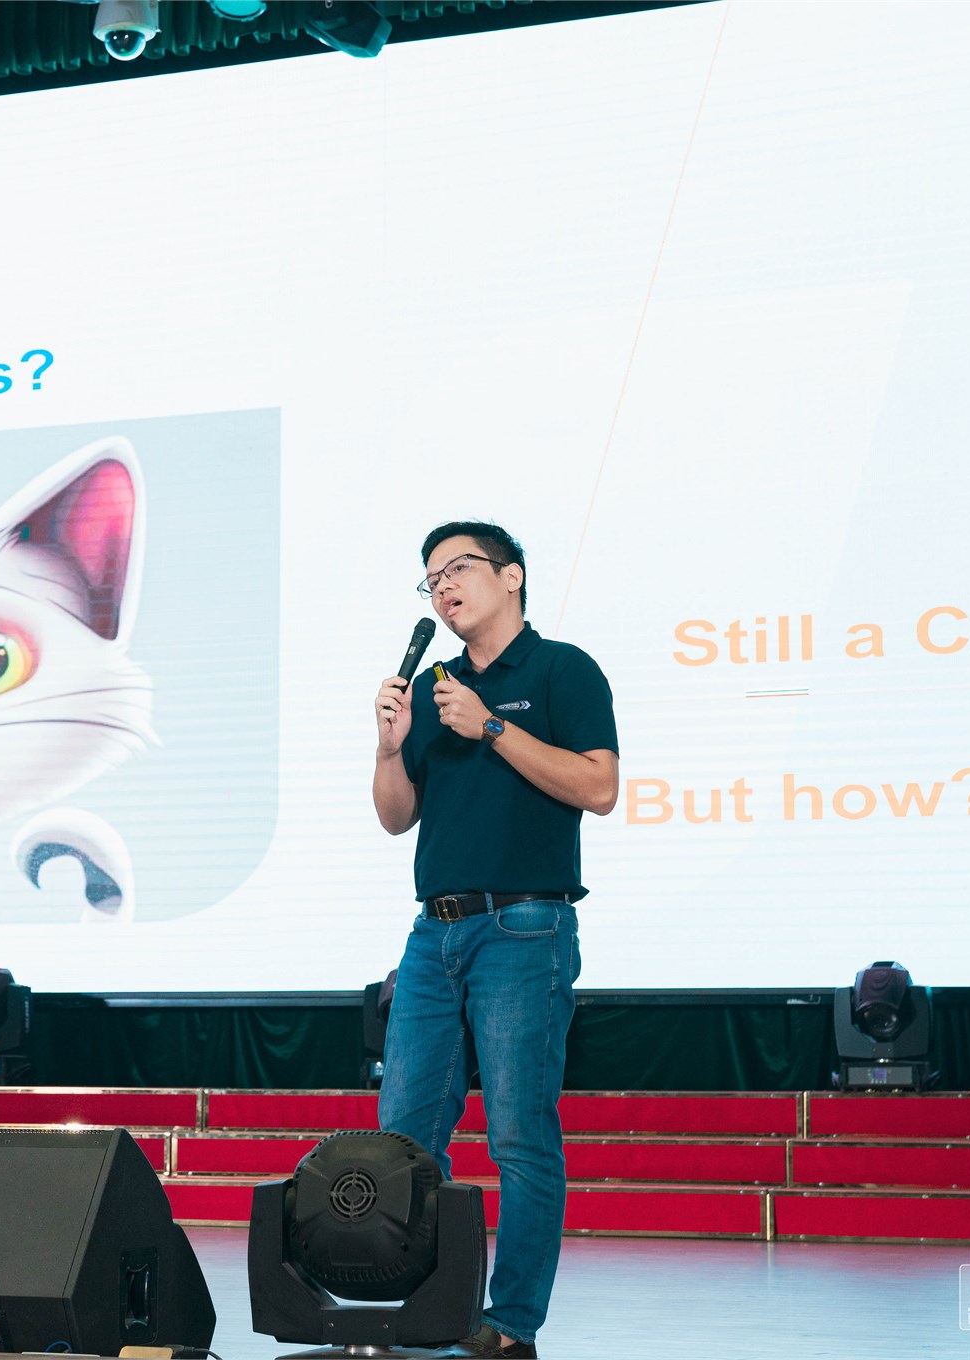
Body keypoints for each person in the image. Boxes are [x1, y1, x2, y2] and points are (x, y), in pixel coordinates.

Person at [371, 521, 619, 1360]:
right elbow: (397, 816)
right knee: (404, 1137)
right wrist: (390, 749)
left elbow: (599, 786)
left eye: (459, 567)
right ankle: (422, 1308)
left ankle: (511, 1324)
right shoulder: (434, 686)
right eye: (431, 578)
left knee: (518, 1136)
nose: (443, 586)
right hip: (431, 935)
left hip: (524, 927)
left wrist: (491, 728)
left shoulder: (561, 670)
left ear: (511, 576)